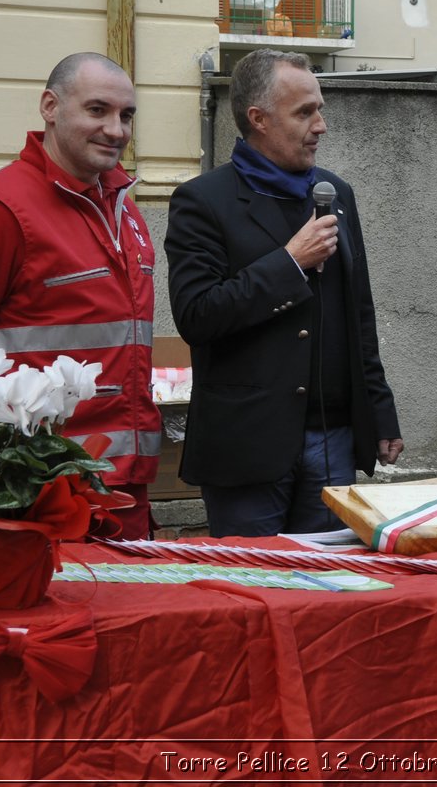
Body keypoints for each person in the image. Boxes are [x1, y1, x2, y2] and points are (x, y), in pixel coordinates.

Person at [0, 52, 160, 539]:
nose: (116, 129)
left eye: (126, 115)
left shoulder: (121, 205)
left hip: (122, 483)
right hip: (38, 492)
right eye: (97, 110)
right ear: (50, 106)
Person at [165, 49, 402, 537]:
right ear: (260, 119)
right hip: (247, 444)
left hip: (332, 439)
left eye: (320, 109)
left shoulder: (336, 193)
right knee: (256, 592)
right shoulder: (203, 201)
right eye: (305, 112)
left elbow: (359, 312)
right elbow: (197, 315)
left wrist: (379, 412)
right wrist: (290, 262)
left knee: (330, 592)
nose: (321, 125)